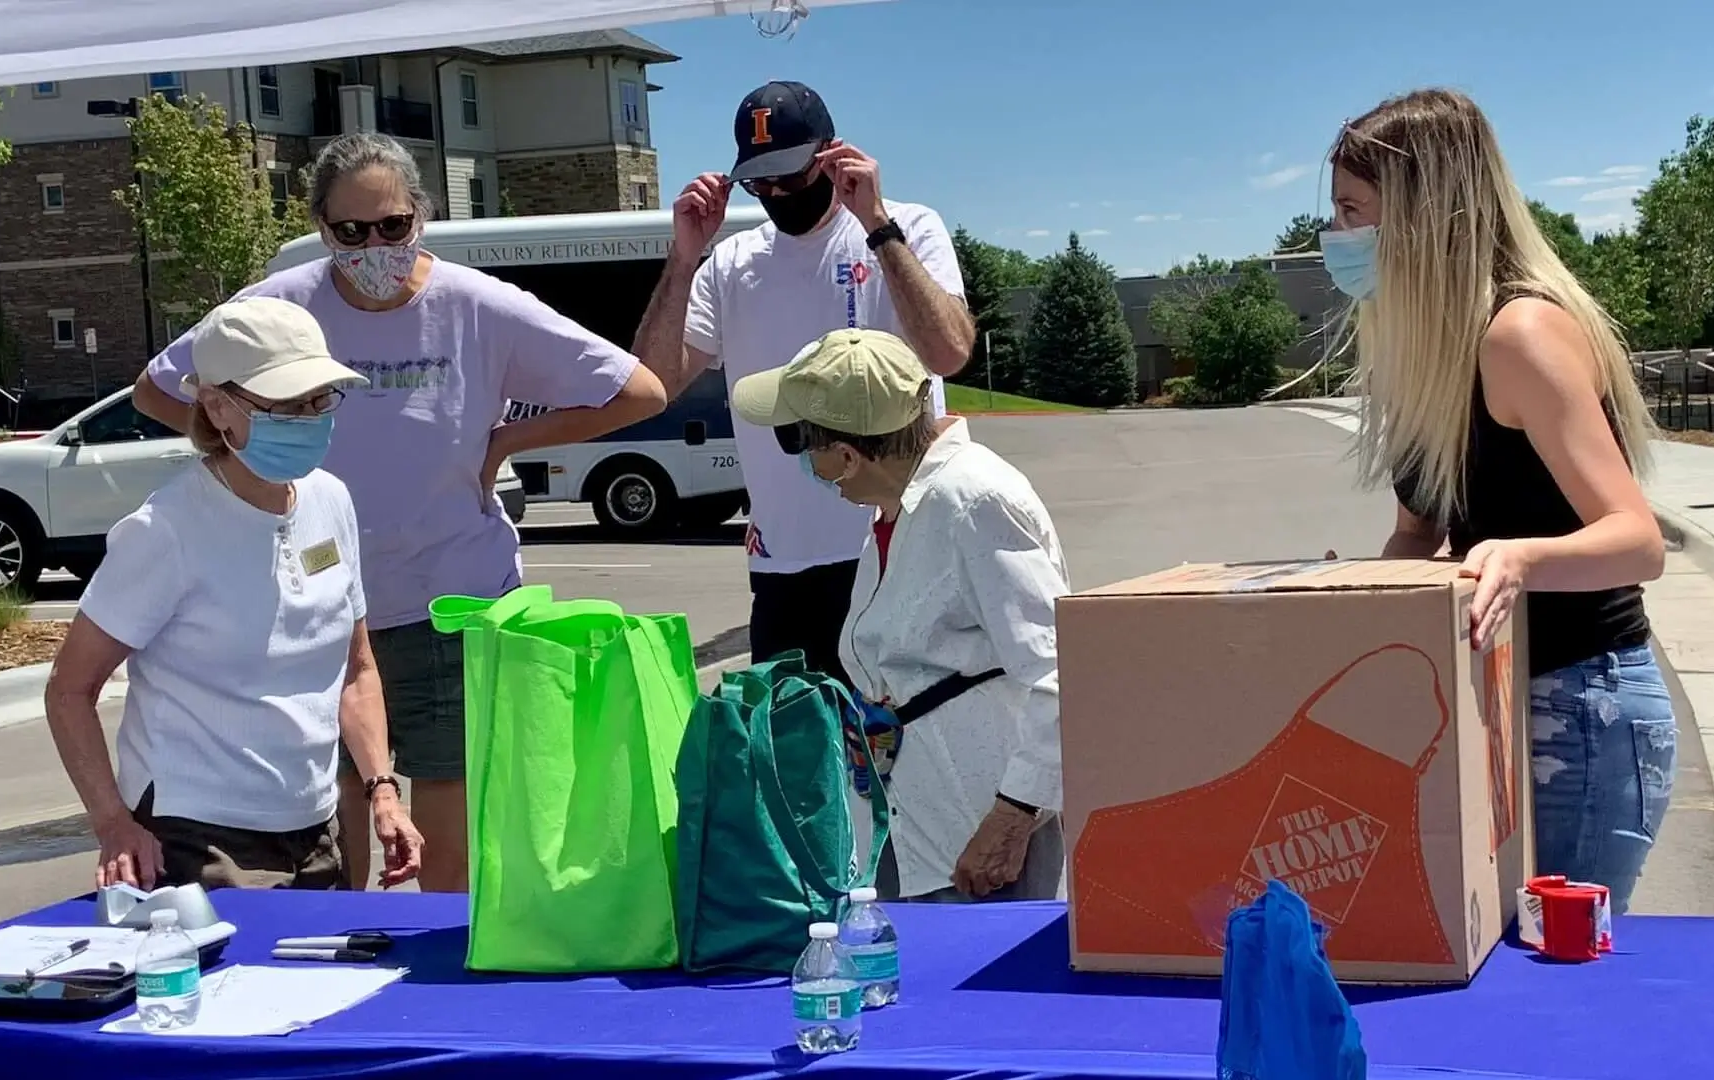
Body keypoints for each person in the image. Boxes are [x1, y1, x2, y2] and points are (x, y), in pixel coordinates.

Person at [130, 133, 668, 892]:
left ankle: (440, 992)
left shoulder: (477, 306)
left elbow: (638, 390)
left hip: (449, 605)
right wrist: (241, 462)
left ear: (422, 214)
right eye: (351, 232)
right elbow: (158, 387)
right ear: (321, 227)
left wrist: (509, 437)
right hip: (316, 612)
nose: (373, 246)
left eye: (392, 226)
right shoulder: (281, 306)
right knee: (335, 840)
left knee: (444, 851)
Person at [1324, 88, 1674, 913]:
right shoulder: (1422, 356)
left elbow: (1637, 541)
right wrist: (1355, 601)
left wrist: (1521, 557)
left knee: (1555, 989)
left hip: (1580, 713)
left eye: (1353, 211)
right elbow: (1416, 536)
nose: (1336, 236)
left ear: (1424, 214)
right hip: (1496, 703)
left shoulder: (1518, 336)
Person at [46, 297, 422, 891]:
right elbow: (70, 690)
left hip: (316, 825)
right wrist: (114, 824)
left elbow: (356, 671)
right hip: (200, 837)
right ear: (218, 407)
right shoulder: (164, 530)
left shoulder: (331, 501)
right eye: (286, 405)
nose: (308, 417)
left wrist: (381, 789)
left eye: (319, 400)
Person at [633, 81, 975, 686]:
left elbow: (949, 352)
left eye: (789, 177)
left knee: (909, 756)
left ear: (831, 157)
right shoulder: (732, 263)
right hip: (786, 563)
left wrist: (876, 223)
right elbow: (654, 383)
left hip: (900, 546)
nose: (775, 194)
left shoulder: (908, 227)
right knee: (796, 763)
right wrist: (684, 259)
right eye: (759, 183)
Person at [730, 328, 1067, 902]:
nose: (806, 465)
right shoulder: (901, 504)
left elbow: (1057, 673)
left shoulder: (975, 502)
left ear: (846, 455)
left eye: (802, 445)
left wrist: (1012, 819)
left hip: (979, 833)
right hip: (921, 817)